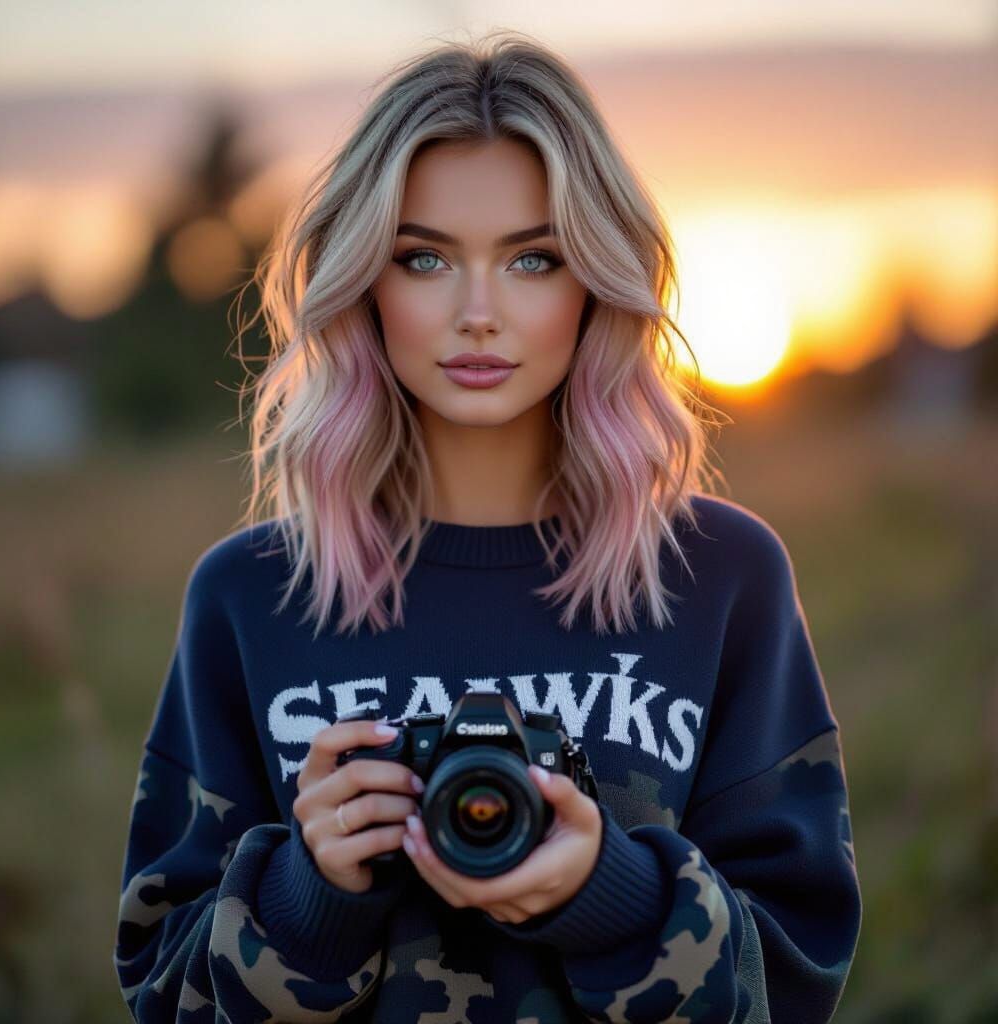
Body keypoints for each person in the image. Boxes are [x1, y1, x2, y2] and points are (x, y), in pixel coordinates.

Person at [113, 30, 861, 1023]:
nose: (477, 312)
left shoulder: (722, 578)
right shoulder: (251, 593)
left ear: (594, 277)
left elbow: (798, 981)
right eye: (422, 257)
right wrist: (309, 900)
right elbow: (160, 992)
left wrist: (607, 893)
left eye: (533, 259)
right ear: (365, 282)